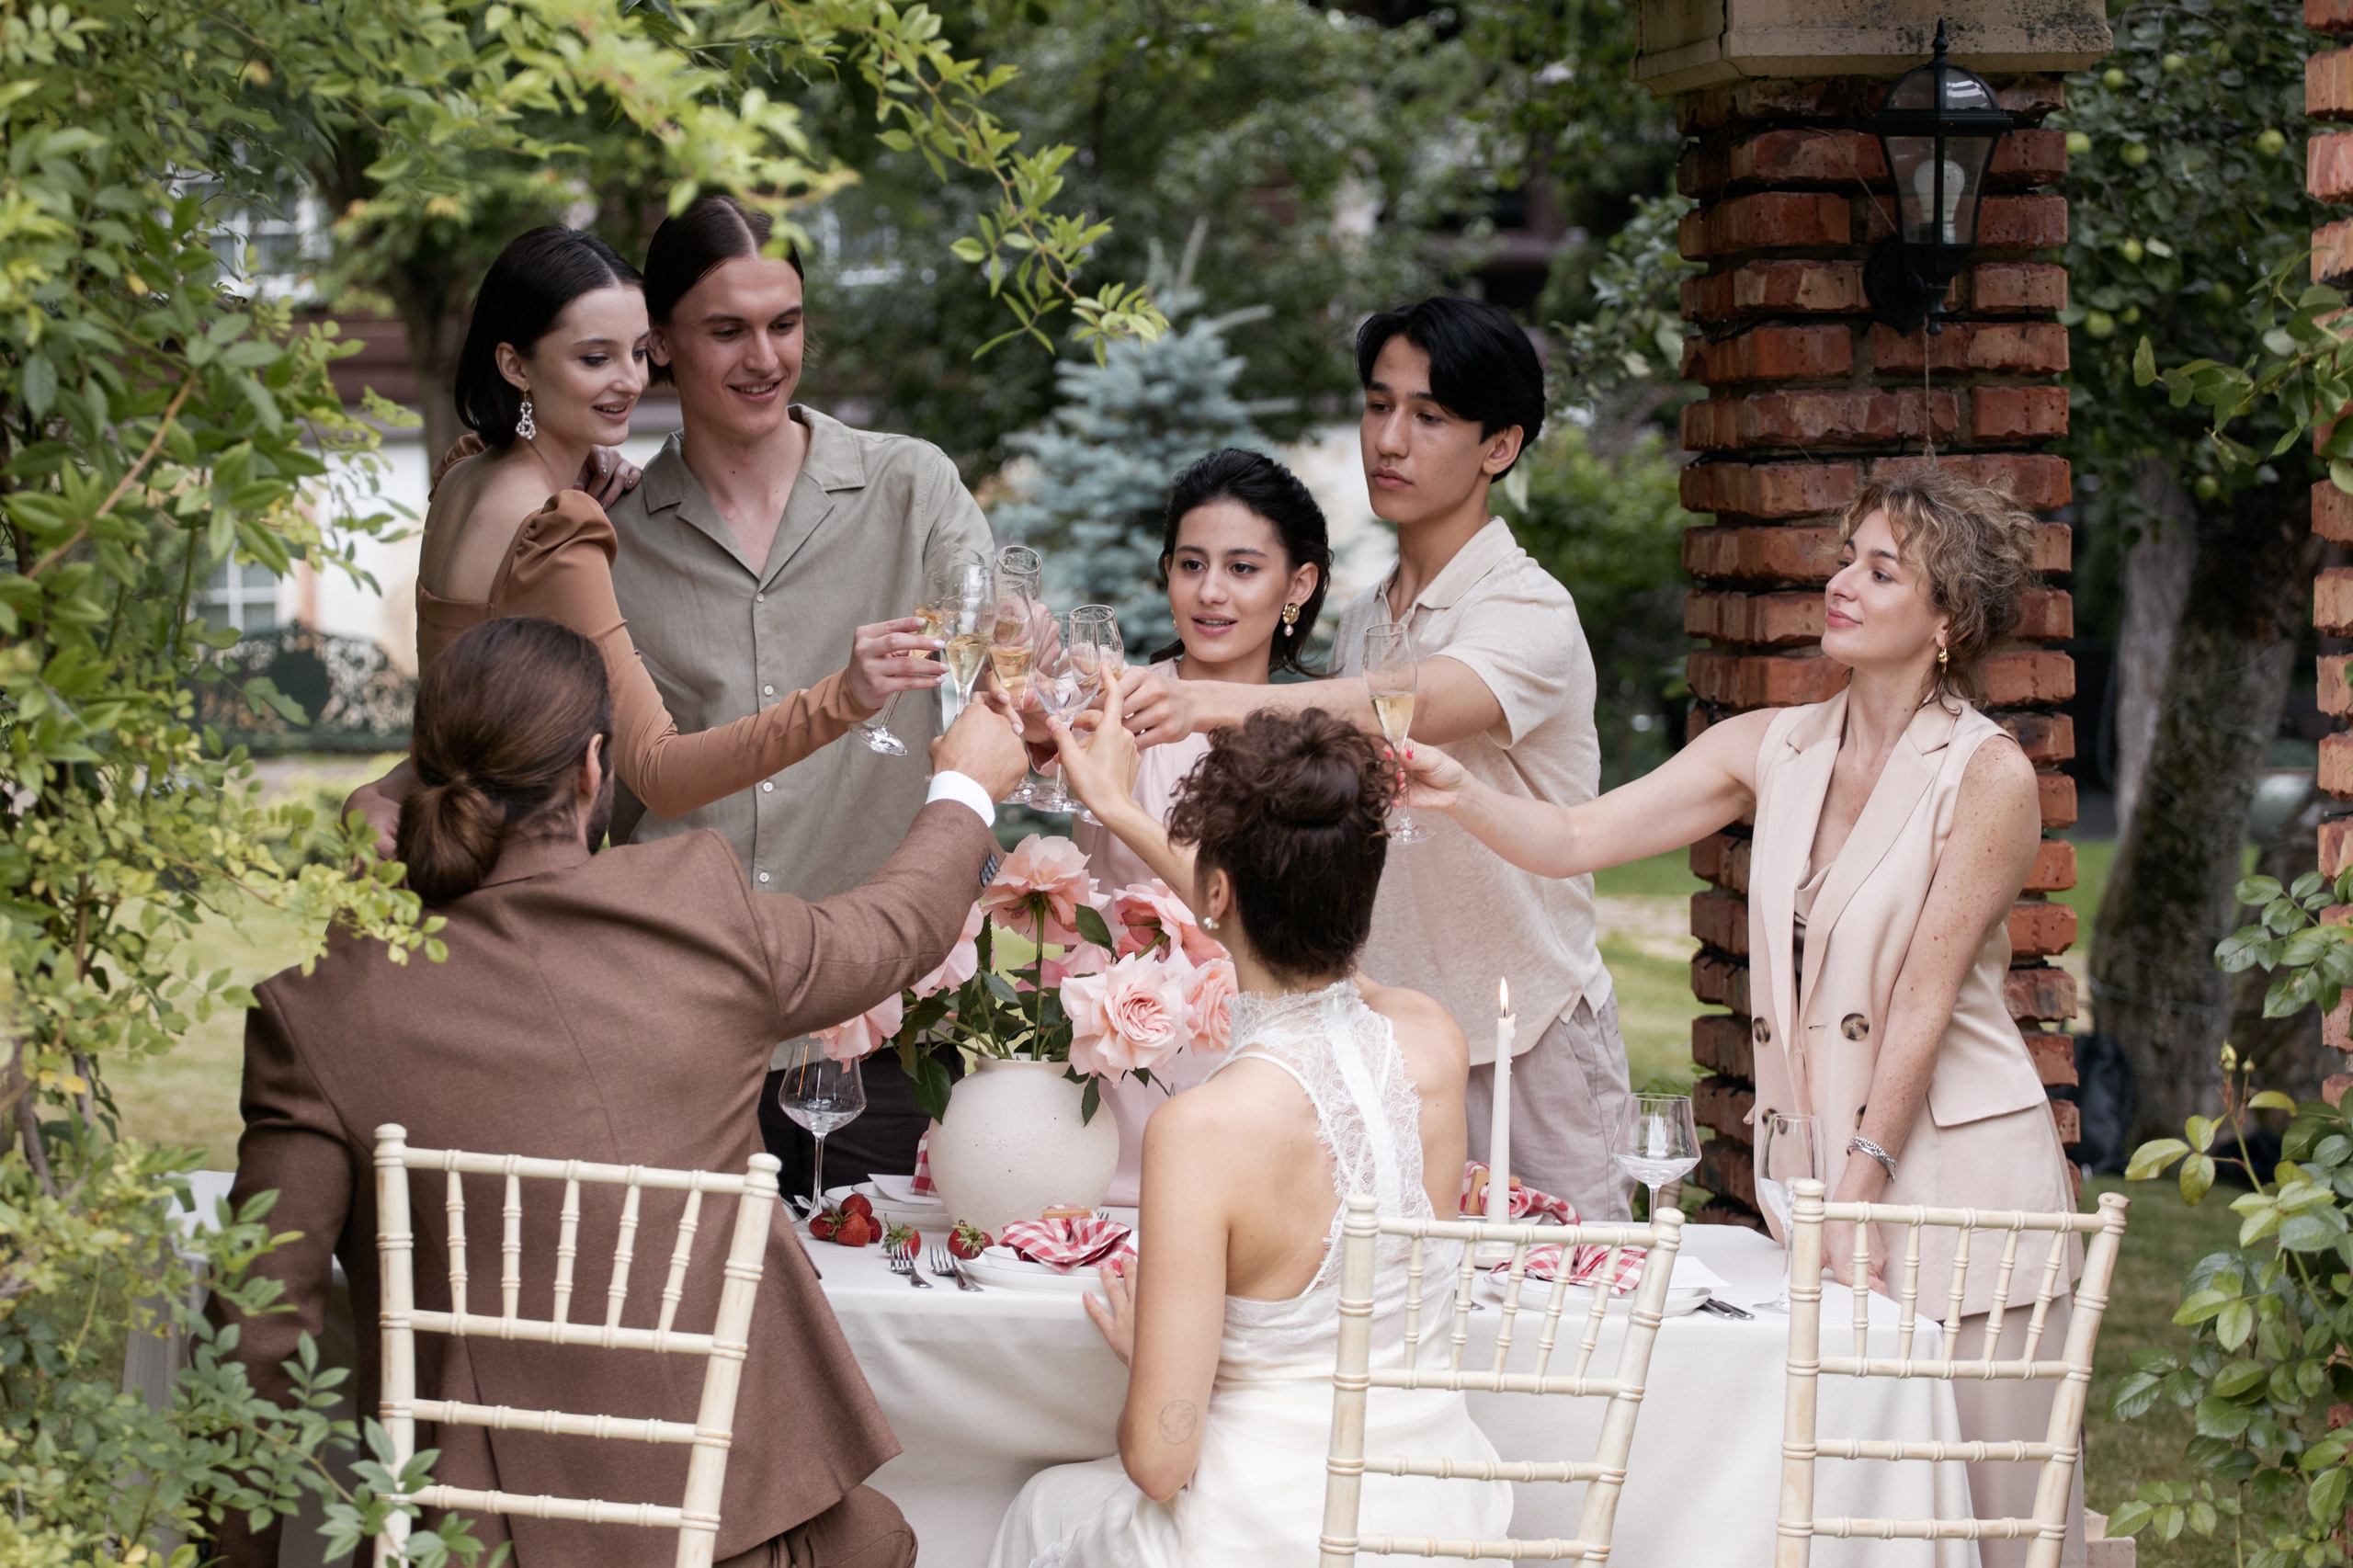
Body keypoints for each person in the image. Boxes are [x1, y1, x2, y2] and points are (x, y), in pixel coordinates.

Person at [212, 615, 1029, 1568]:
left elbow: (259, 1328)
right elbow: (893, 928)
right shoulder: (695, 910)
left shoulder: (319, 1008)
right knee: (878, 1536)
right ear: (595, 765)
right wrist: (964, 784)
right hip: (728, 1532)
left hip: (472, 1544)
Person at [1400, 469, 2083, 1565]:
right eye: (1845, 554)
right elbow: (1574, 838)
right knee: (1837, 1519)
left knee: (1989, 1525)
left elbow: (1921, 999)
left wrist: (1855, 1192)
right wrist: (1452, 787)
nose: (1841, 582)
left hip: (1960, 1194)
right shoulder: (1774, 743)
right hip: (1821, 1183)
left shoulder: (1987, 772)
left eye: (1880, 568)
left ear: (1947, 619)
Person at [1111, 295, 1630, 1220]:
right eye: (1377, 404)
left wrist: (1220, 698)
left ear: (1498, 447)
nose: (1389, 439)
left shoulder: (1529, 610)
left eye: (1428, 416)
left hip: (1530, 1041)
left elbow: (1418, 703)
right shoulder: (1363, 619)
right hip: (1387, 1043)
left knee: (1568, 1315)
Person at [990, 710, 1508, 1568]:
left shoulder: (1202, 1129)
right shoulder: (1433, 1037)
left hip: (1270, 1535)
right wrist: (1119, 808)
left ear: (1218, 893)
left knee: (1043, 1507)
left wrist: (1155, 1361)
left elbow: (1160, 1465)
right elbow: (1311, 957)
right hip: (1440, 1520)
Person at [604, 195, 998, 1195]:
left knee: (882, 1329)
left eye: (785, 325)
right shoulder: (615, 540)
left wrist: (1018, 646)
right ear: (660, 345)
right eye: (727, 330)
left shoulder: (909, 486)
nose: (764, 357)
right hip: (685, 1025)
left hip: (875, 1029)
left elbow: (999, 641)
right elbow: (605, 793)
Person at [348, 226, 940, 833]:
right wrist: (842, 697)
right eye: (594, 358)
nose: (631, 380)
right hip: (513, 883)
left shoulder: (464, 477)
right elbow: (662, 773)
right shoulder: (554, 532)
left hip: (436, 860)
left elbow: (458, 731)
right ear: (514, 364)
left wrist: (374, 794)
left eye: (637, 351)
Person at [1070, 447, 1331, 1205]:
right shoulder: (1115, 709)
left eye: (1243, 569)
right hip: (1112, 1074)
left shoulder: (1316, 740)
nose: (1210, 592)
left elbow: (1262, 922)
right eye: (1191, 565)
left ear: (1298, 584)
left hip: (1258, 1077)